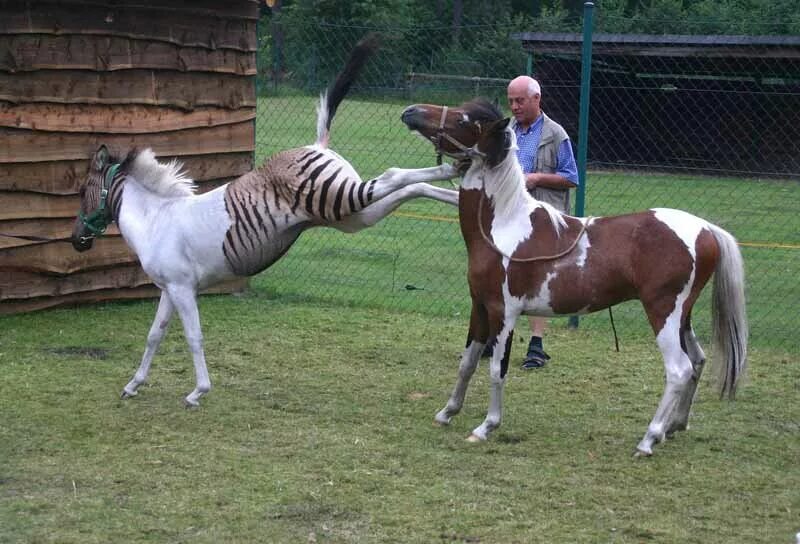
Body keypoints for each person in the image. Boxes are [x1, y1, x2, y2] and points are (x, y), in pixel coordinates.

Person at [506, 75, 579, 370]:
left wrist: (536, 178)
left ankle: (536, 346)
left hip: (542, 218)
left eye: (519, 101)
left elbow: (571, 177)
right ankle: (495, 340)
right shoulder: (506, 131)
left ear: (537, 99)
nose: (514, 107)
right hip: (508, 215)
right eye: (510, 101)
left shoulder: (555, 134)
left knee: (537, 277)